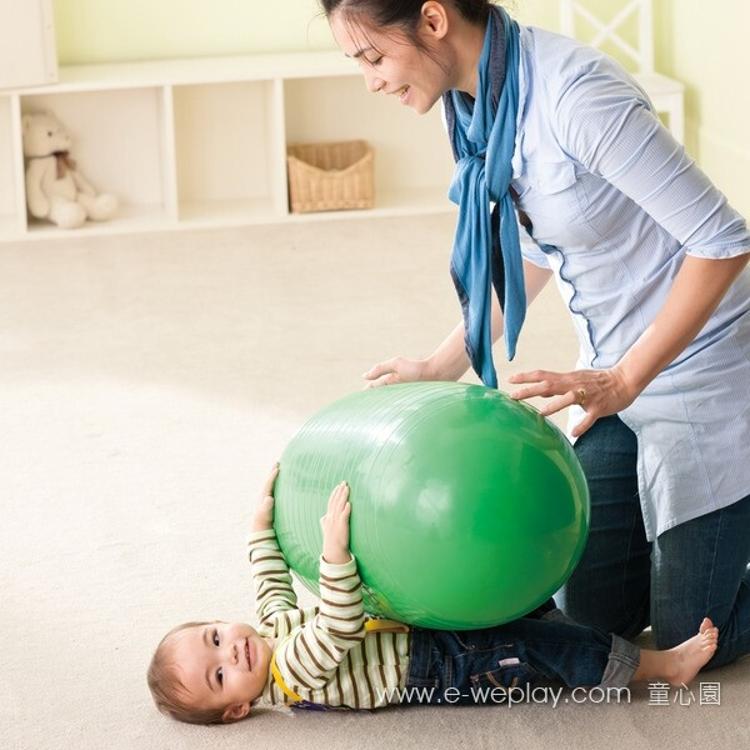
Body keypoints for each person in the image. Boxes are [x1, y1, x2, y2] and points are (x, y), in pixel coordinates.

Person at [321, 0, 750, 663]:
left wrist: (623, 378)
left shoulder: (577, 96)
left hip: (709, 365)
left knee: (688, 638)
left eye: (373, 58)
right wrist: (441, 364)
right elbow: (533, 247)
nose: (371, 81)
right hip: (615, 374)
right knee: (592, 616)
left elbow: (722, 242)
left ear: (432, 20)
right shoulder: (475, 111)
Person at [147, 465, 719, 724]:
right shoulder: (291, 673)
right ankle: (659, 669)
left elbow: (270, 586)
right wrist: (334, 554)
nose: (231, 652)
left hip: (423, 631)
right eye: (219, 675)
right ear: (239, 708)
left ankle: (583, 634)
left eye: (214, 638)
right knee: (543, 651)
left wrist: (259, 529)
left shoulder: (269, 634)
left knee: (531, 613)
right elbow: (337, 625)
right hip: (440, 668)